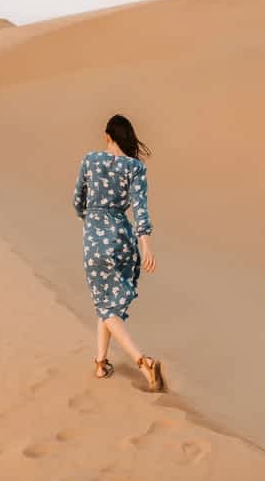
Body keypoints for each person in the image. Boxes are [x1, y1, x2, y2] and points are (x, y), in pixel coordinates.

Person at [72, 114, 164, 392]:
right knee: (108, 302)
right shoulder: (135, 168)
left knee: (105, 304)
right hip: (124, 239)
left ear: (107, 136)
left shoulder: (90, 160)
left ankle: (142, 361)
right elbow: (140, 210)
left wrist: (87, 217)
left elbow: (78, 200)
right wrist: (146, 245)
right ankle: (101, 363)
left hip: (96, 239)